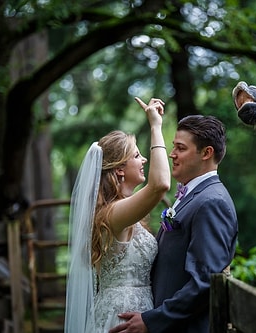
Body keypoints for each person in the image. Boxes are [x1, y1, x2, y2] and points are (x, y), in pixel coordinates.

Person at [111, 115, 239, 333]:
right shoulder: (193, 196)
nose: (172, 154)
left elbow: (205, 280)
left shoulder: (212, 201)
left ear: (206, 153)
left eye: (180, 148)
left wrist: (153, 320)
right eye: (173, 147)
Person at [64, 97, 170, 333]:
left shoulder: (124, 210)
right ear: (120, 169)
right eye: (136, 156)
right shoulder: (112, 214)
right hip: (121, 318)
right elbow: (161, 183)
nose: (143, 160)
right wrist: (155, 126)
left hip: (138, 315)